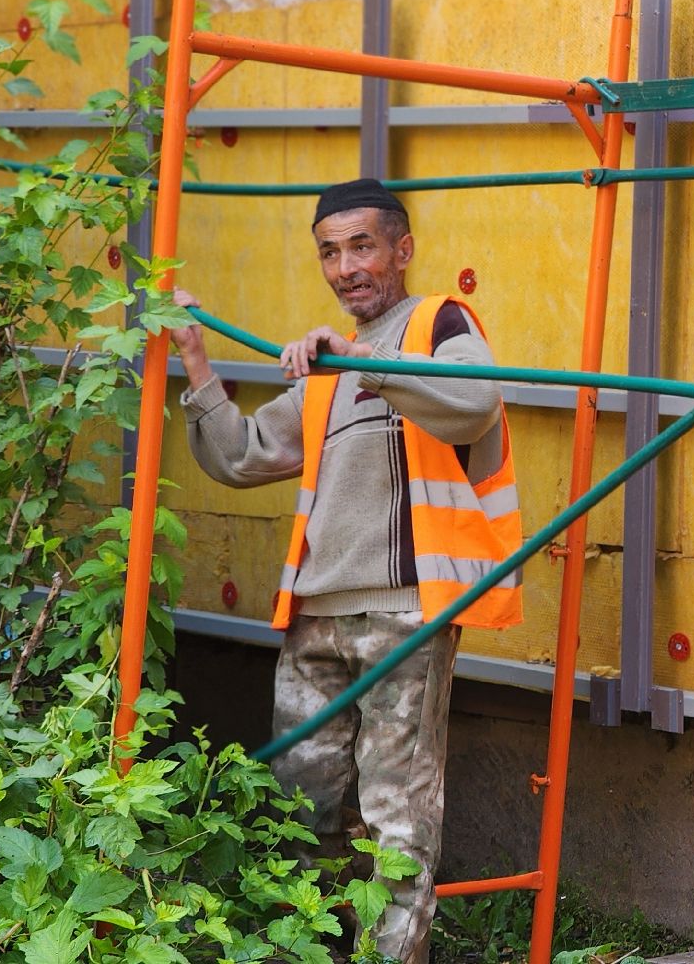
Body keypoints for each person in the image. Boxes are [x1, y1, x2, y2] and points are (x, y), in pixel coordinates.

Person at [170, 178, 525, 964]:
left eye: (362, 246)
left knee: (397, 824)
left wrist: (366, 360)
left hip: (406, 613)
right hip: (315, 618)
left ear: (403, 249)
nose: (345, 267)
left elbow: (475, 402)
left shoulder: (441, 323)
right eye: (330, 252)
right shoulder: (327, 365)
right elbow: (242, 455)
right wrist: (194, 358)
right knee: (303, 815)